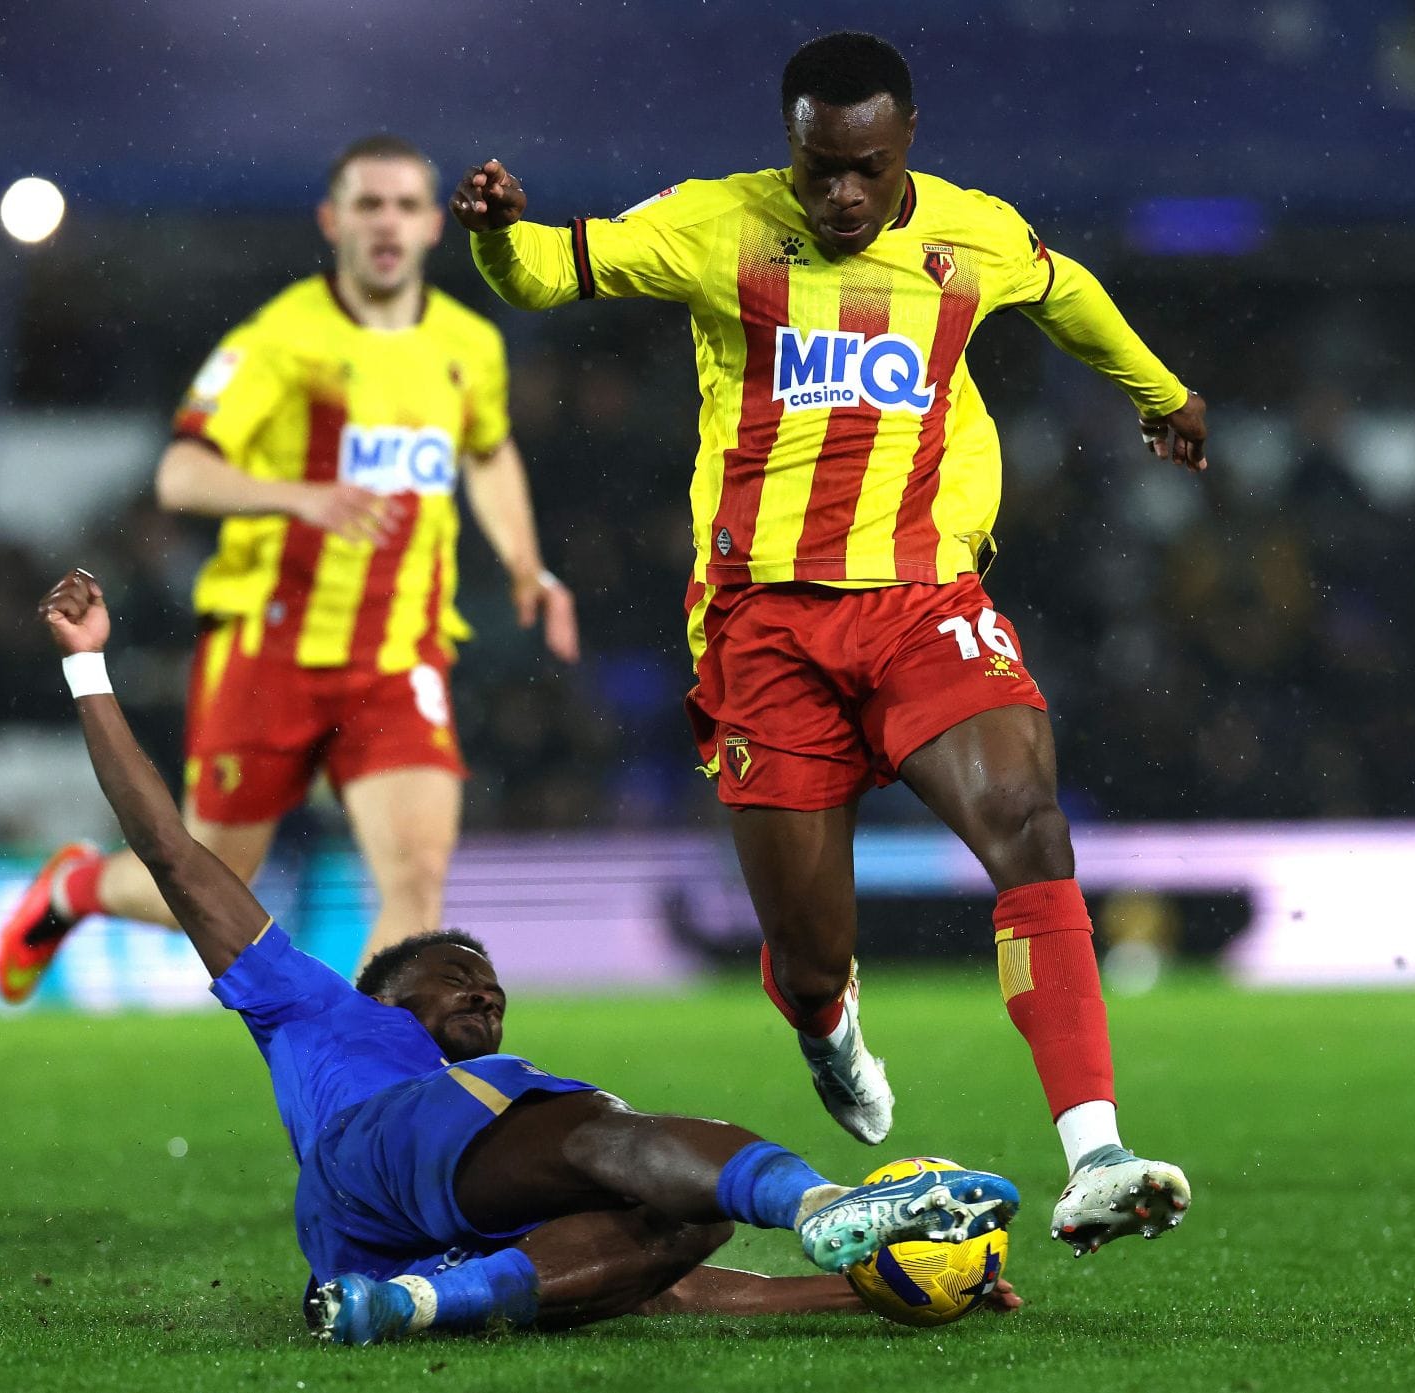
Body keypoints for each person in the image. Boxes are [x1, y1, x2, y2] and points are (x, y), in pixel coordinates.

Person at [450, 32, 1200, 1256]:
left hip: (920, 599)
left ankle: (1096, 1152)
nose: (840, 194)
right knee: (809, 953)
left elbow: (1066, 294)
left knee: (1028, 824)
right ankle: (826, 1020)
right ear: (789, 150)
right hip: (763, 624)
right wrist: (494, 232)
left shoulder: (974, 237)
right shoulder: (719, 226)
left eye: (863, 168)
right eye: (818, 169)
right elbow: (542, 274)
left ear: (906, 143)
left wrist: (1161, 395)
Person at [34, 567, 1021, 1344]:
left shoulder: (484, 1154)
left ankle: (419, 1306)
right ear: (387, 985)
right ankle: (828, 1198)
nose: (486, 988)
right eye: (457, 969)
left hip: (376, 1249)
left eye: (494, 986)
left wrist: (873, 1294)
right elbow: (171, 850)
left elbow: (673, 1294)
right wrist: (89, 669)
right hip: (371, 1151)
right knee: (598, 1125)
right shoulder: (321, 1009)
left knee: (685, 1224)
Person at [0, 134, 579, 1000]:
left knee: (416, 878)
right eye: (368, 204)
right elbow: (179, 473)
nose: (387, 222)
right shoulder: (279, 340)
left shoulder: (468, 344)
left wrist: (528, 563)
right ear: (332, 219)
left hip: (397, 654)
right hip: (270, 647)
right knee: (202, 883)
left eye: (406, 205)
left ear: (431, 226)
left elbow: (487, 453)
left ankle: (368, 1086)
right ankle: (74, 887)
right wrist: (299, 496)